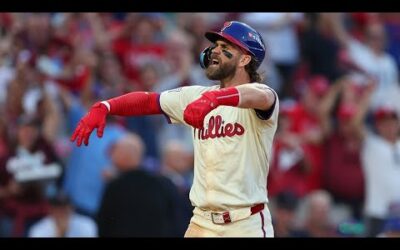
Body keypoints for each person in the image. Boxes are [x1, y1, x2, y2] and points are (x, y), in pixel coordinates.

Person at [71, 21, 279, 237]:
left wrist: (214, 99)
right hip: (203, 222)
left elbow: (262, 97)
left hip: (245, 223)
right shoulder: (197, 95)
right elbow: (149, 101)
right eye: (215, 45)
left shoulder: (260, 94)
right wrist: (106, 106)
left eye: (225, 48)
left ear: (244, 59)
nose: (215, 51)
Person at [97, 133, 183, 237]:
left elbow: (103, 225)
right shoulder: (161, 184)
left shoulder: (115, 187)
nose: (111, 155)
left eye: (115, 150)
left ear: (125, 155)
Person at [28, 191, 97, 237]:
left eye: (64, 208)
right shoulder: (39, 230)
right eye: (58, 209)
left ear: (72, 208)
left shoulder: (87, 225)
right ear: (51, 211)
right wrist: (60, 234)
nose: (62, 212)